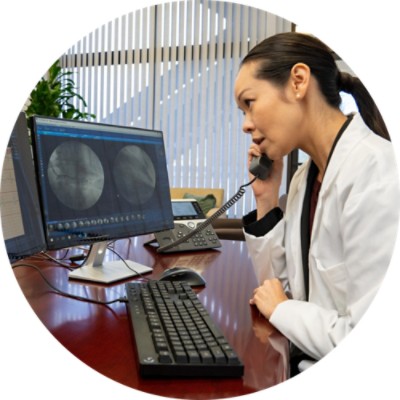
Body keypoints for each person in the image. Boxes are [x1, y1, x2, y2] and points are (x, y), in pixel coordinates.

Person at [234, 32, 399, 374]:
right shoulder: (303, 179)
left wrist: (282, 309)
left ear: (298, 81)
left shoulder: (377, 173)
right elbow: (277, 289)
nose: (246, 124)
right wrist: (266, 198)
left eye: (249, 103)